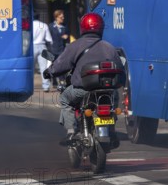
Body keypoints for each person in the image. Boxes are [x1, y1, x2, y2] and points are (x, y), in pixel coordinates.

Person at [43, 13, 123, 144]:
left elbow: (61, 64)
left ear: (83, 28)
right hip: (108, 92)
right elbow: (121, 71)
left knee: (64, 99)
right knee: (113, 102)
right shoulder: (109, 47)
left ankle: (71, 132)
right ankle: (111, 130)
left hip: (83, 90)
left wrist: (49, 72)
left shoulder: (75, 46)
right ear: (101, 28)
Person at [33, 14, 53, 92]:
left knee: (31, 68)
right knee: (44, 68)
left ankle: (28, 86)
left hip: (32, 46)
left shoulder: (30, 25)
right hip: (42, 46)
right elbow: (49, 39)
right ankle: (46, 86)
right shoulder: (44, 25)